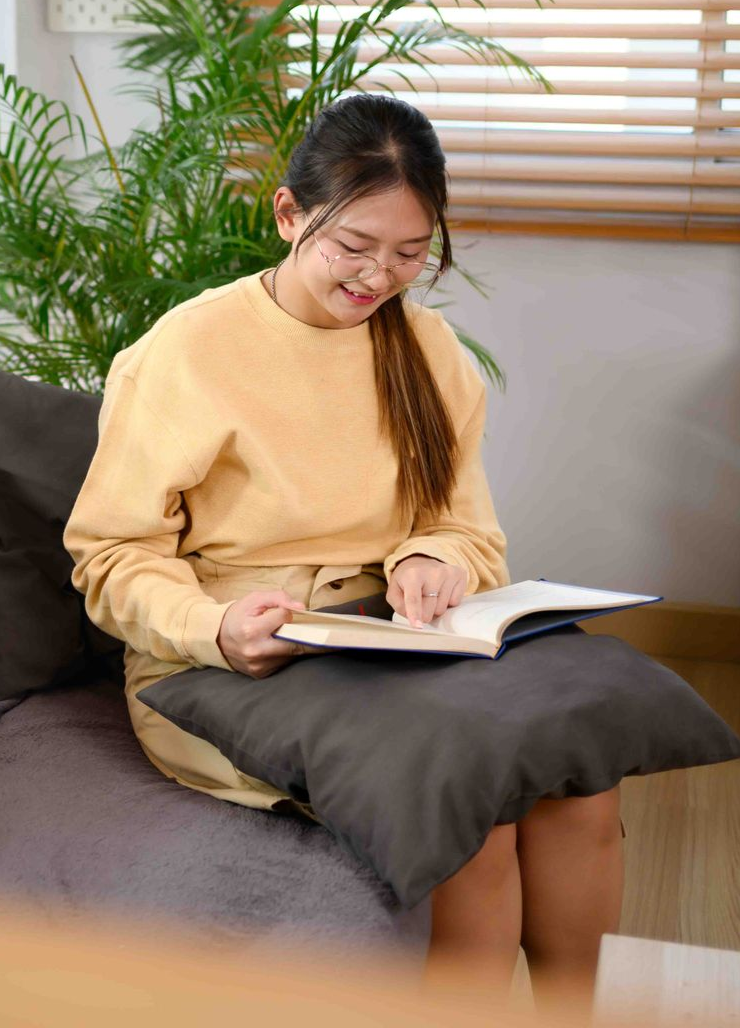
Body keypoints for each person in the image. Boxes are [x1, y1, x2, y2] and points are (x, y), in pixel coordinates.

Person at [63, 93, 624, 1014]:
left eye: (410, 254)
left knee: (580, 784)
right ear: (289, 214)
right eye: (355, 246)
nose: (379, 276)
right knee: (476, 806)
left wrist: (432, 559)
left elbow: (466, 526)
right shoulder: (187, 351)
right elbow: (111, 555)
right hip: (229, 656)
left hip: (391, 638)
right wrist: (214, 626)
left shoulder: (429, 351)